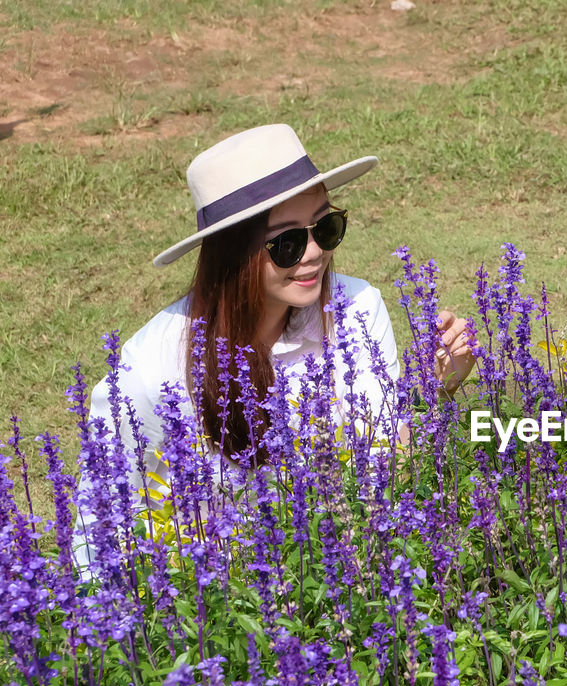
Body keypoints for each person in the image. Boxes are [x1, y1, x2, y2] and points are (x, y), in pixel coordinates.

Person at [72, 124, 476, 574]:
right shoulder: (152, 366)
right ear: (234, 254)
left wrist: (434, 389)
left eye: (326, 226)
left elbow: (381, 467)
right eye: (286, 242)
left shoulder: (356, 309)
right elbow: (96, 540)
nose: (314, 254)